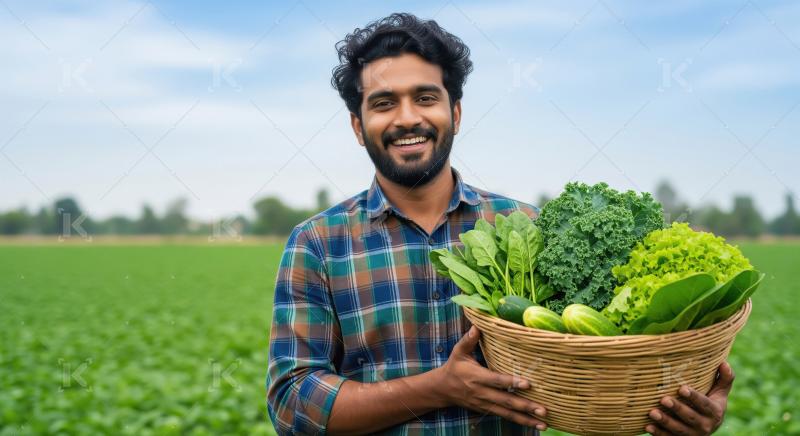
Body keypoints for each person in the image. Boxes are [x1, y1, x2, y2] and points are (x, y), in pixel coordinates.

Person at [266, 12, 735, 435]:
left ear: (455, 112)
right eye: (384, 103)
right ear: (357, 125)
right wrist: (438, 388)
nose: (407, 118)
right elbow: (291, 405)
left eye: (425, 97)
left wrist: (680, 399)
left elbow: (604, 354)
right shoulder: (318, 244)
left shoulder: (525, 226)